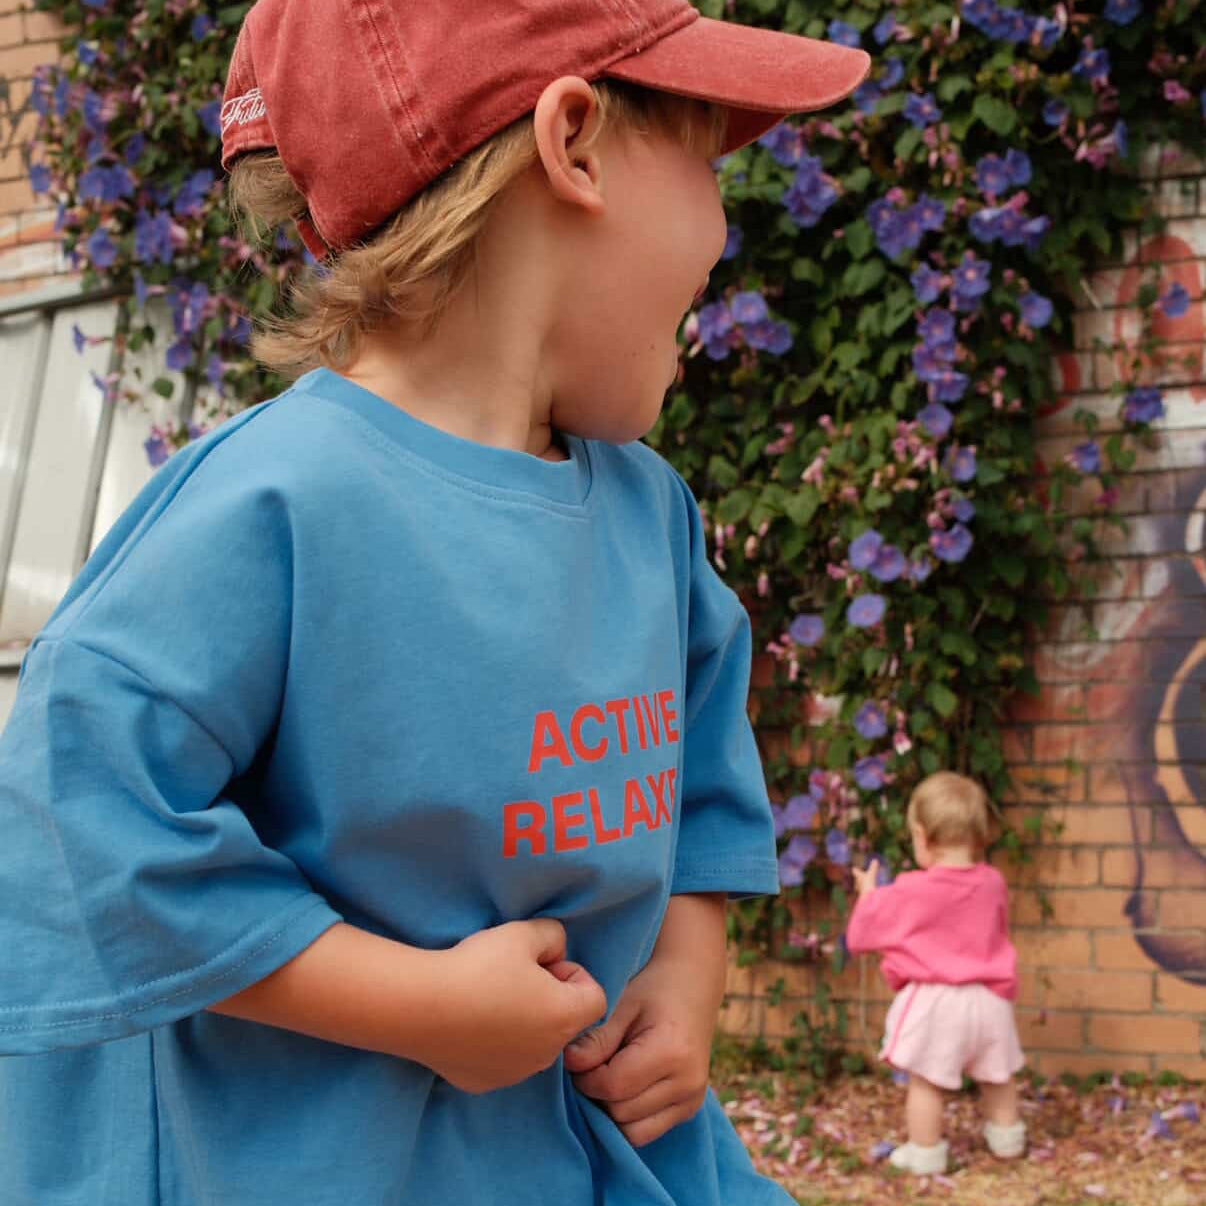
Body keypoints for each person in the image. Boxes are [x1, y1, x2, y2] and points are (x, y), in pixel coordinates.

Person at [0, 2, 869, 1203]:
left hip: (596, 1158)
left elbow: (704, 783)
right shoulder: (277, 505)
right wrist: (421, 1008)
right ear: (574, 143)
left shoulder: (650, 517)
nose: (727, 227)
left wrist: (685, 977)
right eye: (710, 153)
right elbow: (81, 814)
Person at [847, 770, 1028, 1176]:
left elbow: (862, 935)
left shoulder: (912, 889)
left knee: (926, 1081)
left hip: (937, 1002)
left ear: (922, 836)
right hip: (990, 999)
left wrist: (868, 894)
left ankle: (926, 1152)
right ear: (979, 836)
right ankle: (1008, 1139)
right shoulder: (994, 883)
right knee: (997, 1075)